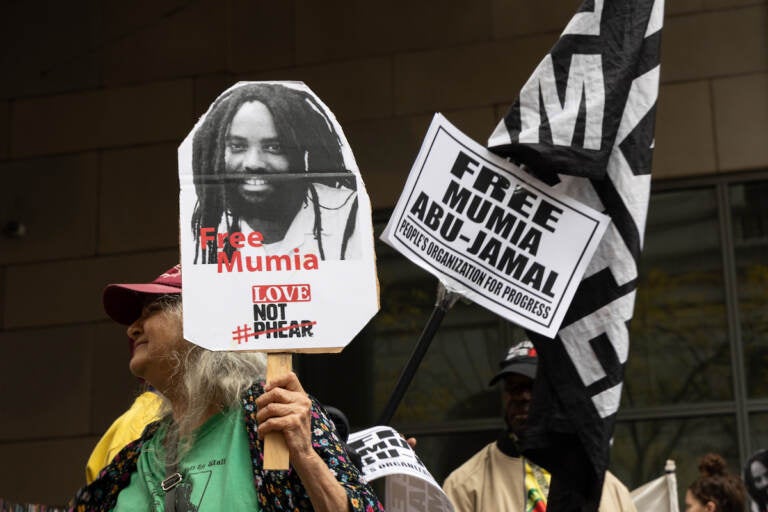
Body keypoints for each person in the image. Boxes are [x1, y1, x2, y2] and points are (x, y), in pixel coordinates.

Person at [71, 264, 383, 511]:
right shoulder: (137, 455)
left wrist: (305, 455)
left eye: (152, 310)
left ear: (203, 322)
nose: (132, 328)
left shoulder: (273, 413)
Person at [442, 340, 637, 512]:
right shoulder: (466, 485)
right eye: (514, 388)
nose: (523, 397)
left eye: (534, 386)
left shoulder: (606, 487)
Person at [191, 82, 360, 263]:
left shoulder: (347, 214)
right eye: (237, 146)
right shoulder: (209, 225)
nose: (253, 163)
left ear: (302, 152)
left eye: (274, 147)